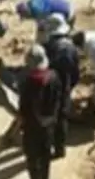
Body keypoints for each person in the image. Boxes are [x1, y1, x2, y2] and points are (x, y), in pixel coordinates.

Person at [38, 14, 79, 159]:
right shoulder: (71, 47)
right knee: (62, 118)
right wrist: (70, 85)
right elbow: (75, 71)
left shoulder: (48, 47)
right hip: (65, 86)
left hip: (50, 87)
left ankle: (46, 146)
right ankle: (60, 150)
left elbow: (43, 69)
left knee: (48, 117)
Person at [19, 45, 63, 179]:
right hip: (48, 125)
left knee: (32, 158)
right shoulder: (54, 77)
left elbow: (23, 106)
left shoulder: (27, 81)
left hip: (31, 127)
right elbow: (58, 99)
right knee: (45, 156)